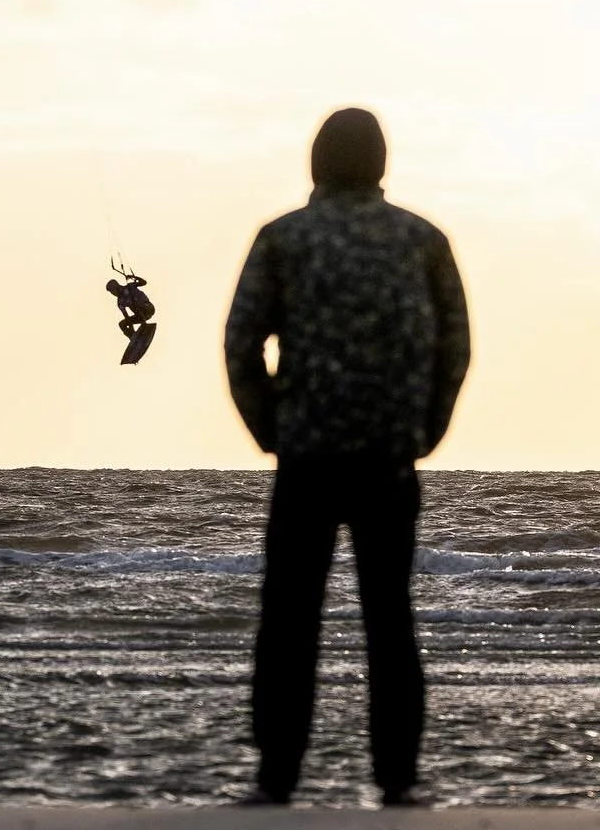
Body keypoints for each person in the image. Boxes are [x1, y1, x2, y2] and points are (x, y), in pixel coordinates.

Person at [224, 107, 470, 808]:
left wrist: (269, 429)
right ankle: (397, 779)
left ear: (316, 163)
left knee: (289, 618)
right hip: (390, 459)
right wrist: (428, 429)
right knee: (389, 617)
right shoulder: (423, 241)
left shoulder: (284, 239)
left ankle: (276, 779)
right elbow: (456, 346)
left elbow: (240, 342)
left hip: (306, 457)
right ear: (382, 163)